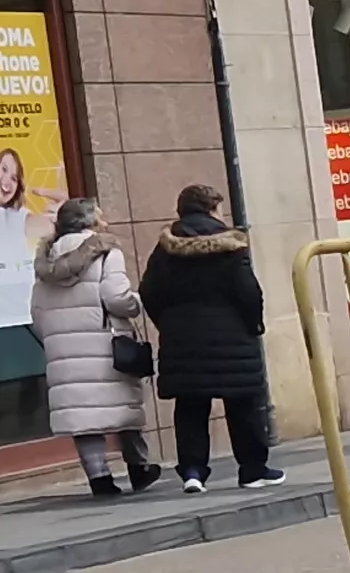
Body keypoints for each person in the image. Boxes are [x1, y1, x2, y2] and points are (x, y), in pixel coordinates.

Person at [141, 182, 282, 492]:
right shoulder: (231, 247)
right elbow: (248, 292)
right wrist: (253, 325)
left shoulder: (165, 249)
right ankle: (252, 469)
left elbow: (148, 291)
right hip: (232, 337)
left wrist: (168, 323)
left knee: (190, 405)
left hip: (182, 340)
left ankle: (192, 471)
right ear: (213, 209)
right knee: (243, 403)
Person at [31, 197, 160, 496]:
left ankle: (99, 477)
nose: (105, 222)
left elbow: (36, 310)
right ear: (88, 222)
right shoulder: (106, 252)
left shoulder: (46, 259)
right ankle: (139, 468)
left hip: (63, 348)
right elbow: (116, 298)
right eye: (99, 216)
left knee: (84, 413)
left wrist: (56, 334)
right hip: (104, 342)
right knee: (122, 404)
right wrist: (138, 302)